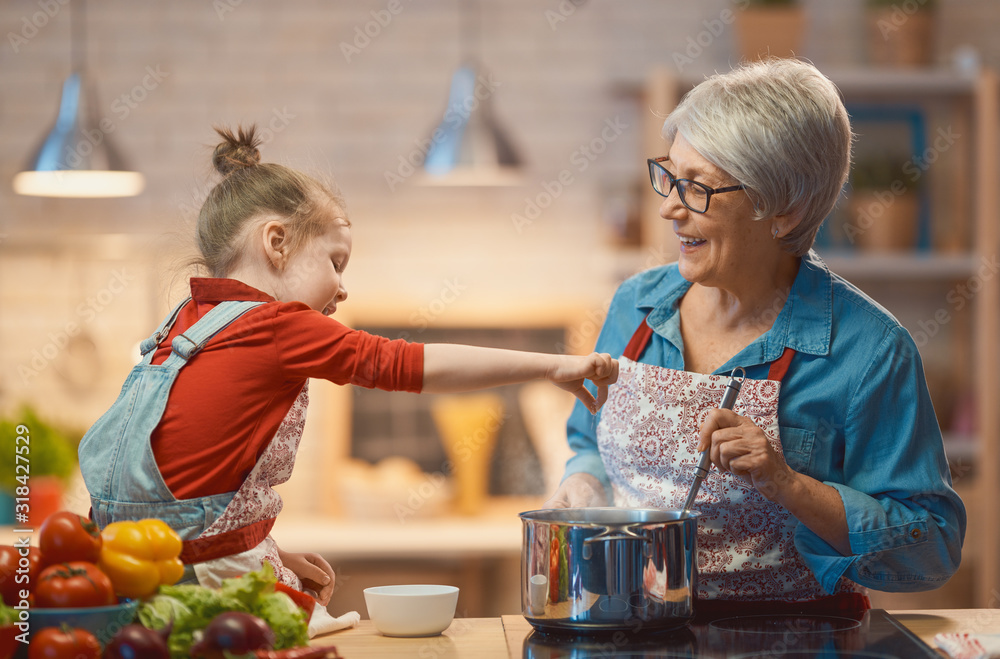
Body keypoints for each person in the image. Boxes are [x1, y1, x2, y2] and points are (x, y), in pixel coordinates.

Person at [78, 125, 618, 633]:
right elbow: (407, 364)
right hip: (209, 595)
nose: (342, 290)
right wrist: (550, 365)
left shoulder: (182, 323)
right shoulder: (277, 326)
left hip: (131, 579)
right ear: (277, 242)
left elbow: (186, 489)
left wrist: (265, 549)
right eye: (336, 263)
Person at [543, 58, 965, 617]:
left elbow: (931, 550)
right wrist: (584, 487)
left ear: (784, 211)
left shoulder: (870, 352)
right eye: (671, 175)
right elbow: (589, 443)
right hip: (631, 628)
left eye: (697, 189)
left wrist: (787, 484)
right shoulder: (636, 306)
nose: (668, 207)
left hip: (796, 641)